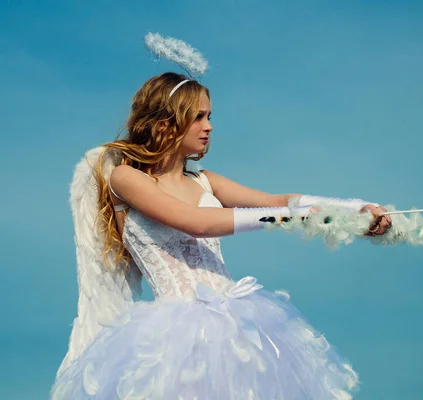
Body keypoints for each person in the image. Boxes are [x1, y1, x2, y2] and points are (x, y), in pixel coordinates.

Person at [50, 72, 392, 399]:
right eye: (198, 116)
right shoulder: (126, 179)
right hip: (173, 340)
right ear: (165, 122)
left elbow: (279, 201)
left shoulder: (204, 180)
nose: (209, 126)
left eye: (209, 116)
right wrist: (290, 217)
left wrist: (353, 210)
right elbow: (196, 222)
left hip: (239, 328)